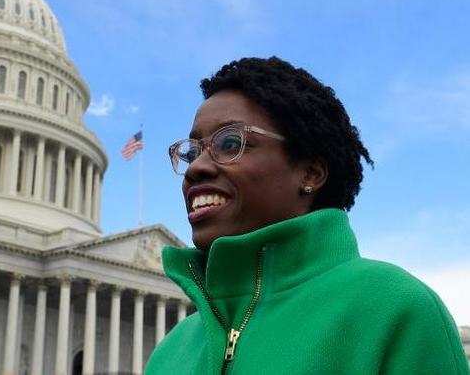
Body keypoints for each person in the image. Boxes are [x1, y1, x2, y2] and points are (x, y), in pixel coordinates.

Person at [146, 57, 468, 374]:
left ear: (310, 173)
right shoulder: (170, 351)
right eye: (191, 152)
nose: (197, 167)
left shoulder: (397, 311)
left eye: (230, 143)